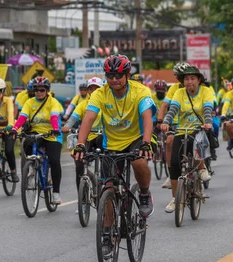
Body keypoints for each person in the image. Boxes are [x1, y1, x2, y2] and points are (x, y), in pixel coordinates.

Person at [72, 54, 156, 218]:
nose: (114, 79)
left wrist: (146, 142)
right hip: (111, 144)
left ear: (128, 75)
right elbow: (89, 118)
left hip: (137, 138)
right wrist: (80, 143)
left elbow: (147, 117)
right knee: (107, 188)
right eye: (110, 75)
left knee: (138, 161)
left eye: (118, 75)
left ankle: (144, 194)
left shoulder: (141, 91)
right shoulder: (100, 94)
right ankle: (107, 235)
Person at [161, 65, 214, 212]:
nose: (189, 82)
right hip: (181, 131)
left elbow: (207, 109)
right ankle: (175, 199)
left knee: (198, 142)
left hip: (199, 129)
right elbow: (173, 110)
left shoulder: (206, 91)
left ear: (198, 80)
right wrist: (166, 121)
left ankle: (202, 169)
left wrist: (208, 122)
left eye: (192, 78)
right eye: (186, 79)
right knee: (175, 163)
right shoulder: (179, 93)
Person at [11, 77, 64, 204]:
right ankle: (34, 167)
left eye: (41, 90)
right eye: (36, 90)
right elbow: (22, 117)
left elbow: (54, 117)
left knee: (54, 160)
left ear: (47, 91)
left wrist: (56, 129)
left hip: (52, 134)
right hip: (36, 133)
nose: (39, 92)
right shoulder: (30, 102)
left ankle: (56, 192)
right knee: (27, 143)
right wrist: (14, 128)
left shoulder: (53, 102)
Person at [62, 77, 104, 203]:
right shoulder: (83, 104)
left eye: (96, 89)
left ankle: (106, 182)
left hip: (103, 137)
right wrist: (67, 126)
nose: (93, 91)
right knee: (79, 161)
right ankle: (83, 199)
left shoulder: (106, 103)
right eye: (90, 88)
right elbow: (74, 117)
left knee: (108, 159)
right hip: (87, 138)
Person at [157, 62, 190, 189]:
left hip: (193, 122)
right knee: (169, 141)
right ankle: (172, 175)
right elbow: (165, 105)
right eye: (178, 76)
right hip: (176, 122)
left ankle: (202, 168)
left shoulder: (198, 87)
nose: (181, 78)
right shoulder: (174, 88)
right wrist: (160, 121)